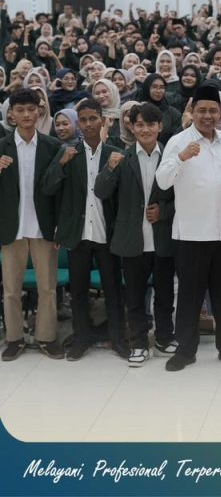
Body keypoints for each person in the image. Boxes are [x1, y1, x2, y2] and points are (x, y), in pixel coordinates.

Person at [155, 84, 221, 371]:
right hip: (191, 234)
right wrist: (181, 157)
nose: (208, 116)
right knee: (189, 295)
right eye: (202, 110)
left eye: (213, 110)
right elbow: (162, 181)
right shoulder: (178, 141)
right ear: (192, 112)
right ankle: (185, 349)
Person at [42, 98, 128, 361]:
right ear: (78, 123)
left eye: (93, 118)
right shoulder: (69, 153)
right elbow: (48, 187)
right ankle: (81, 339)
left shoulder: (114, 153)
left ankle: (118, 338)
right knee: (78, 292)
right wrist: (60, 163)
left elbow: (121, 196)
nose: (89, 124)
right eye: (84, 120)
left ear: (103, 120)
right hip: (78, 233)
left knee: (113, 289)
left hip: (106, 233)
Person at [92, 102, 177, 366]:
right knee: (134, 296)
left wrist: (164, 211)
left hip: (163, 238)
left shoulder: (170, 157)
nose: (145, 129)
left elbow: (185, 196)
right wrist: (109, 168)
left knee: (165, 294)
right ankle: (138, 343)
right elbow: (101, 191)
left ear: (160, 126)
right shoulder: (122, 157)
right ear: (131, 127)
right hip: (132, 239)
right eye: (140, 124)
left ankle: (164, 337)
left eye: (151, 124)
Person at [0, 89, 64, 361]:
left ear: (40, 111)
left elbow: (59, 191)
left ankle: (46, 337)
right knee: (11, 289)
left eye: (31, 109)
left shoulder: (52, 146)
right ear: (11, 115)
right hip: (10, 227)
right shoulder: (1, 146)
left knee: (47, 287)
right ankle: (14, 338)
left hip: (43, 227)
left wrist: (60, 226)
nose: (26, 114)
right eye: (20, 110)